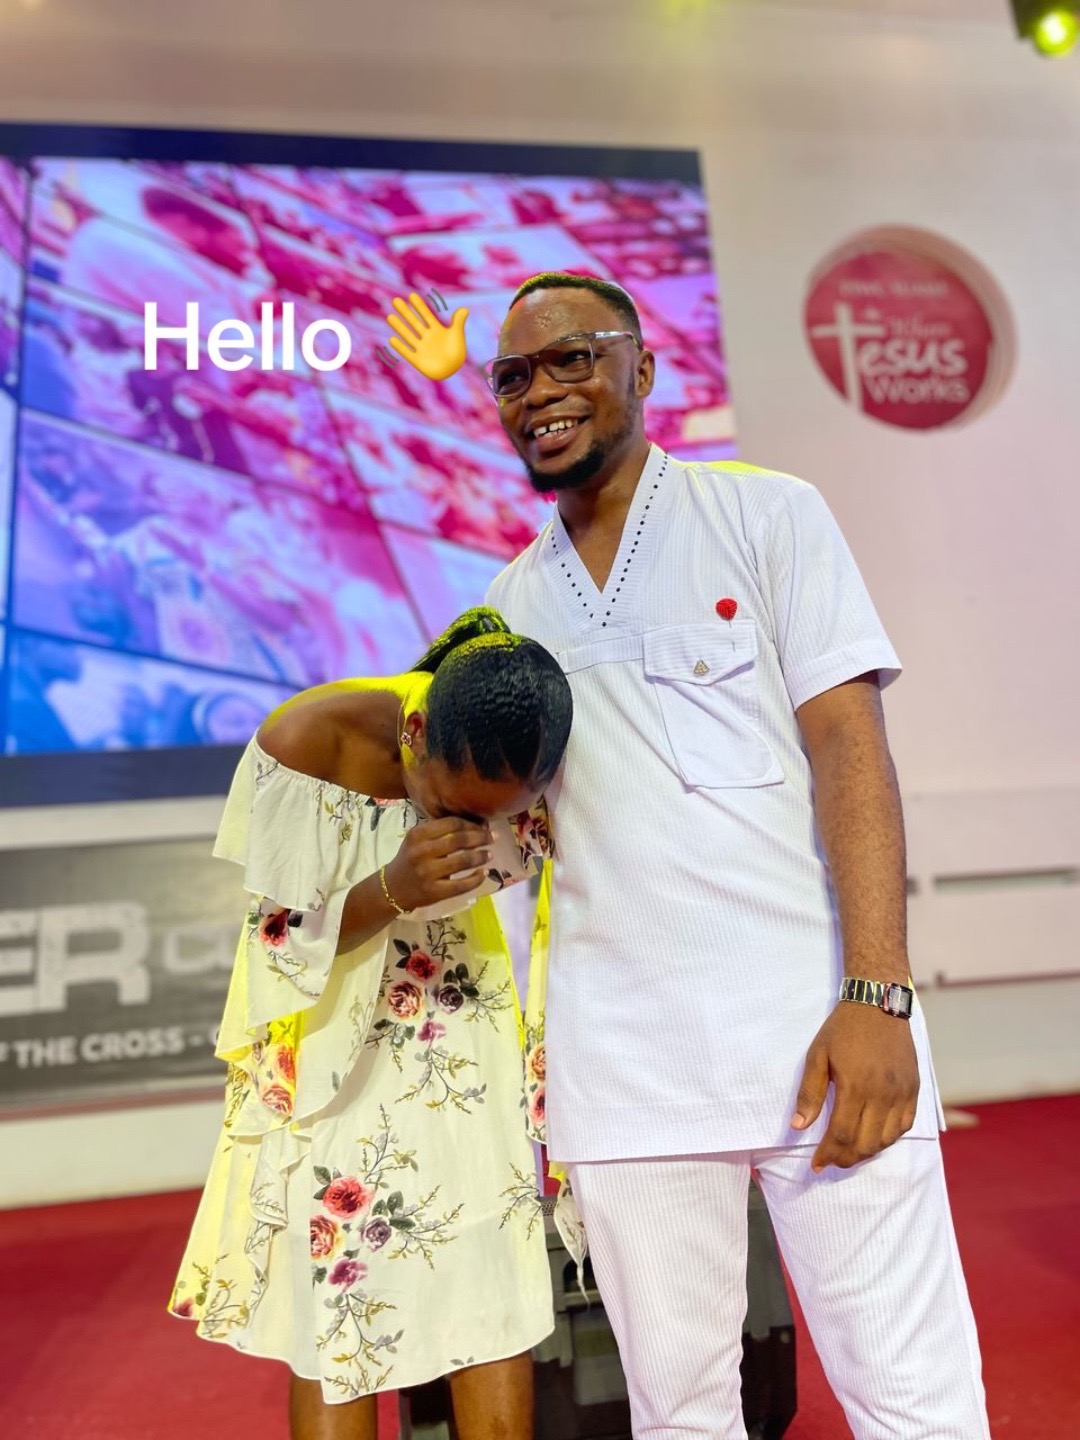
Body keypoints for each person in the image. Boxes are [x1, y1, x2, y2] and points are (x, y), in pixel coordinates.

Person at [483, 273, 990, 1440]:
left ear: (643, 368)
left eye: (572, 357)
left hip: (818, 1035)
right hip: (626, 1075)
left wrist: (879, 992)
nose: (541, 392)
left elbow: (850, 750)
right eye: (513, 376)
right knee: (680, 1419)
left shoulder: (769, 516)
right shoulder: (505, 611)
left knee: (916, 1401)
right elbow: (517, 850)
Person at [170, 607, 573, 1440]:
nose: (464, 828)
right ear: (415, 734)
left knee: (491, 1281)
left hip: (459, 1022)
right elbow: (275, 946)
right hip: (331, 1046)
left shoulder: (525, 743)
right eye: (450, 807)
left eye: (488, 818)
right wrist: (392, 889)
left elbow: (535, 867)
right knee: (338, 1304)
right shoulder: (305, 742)